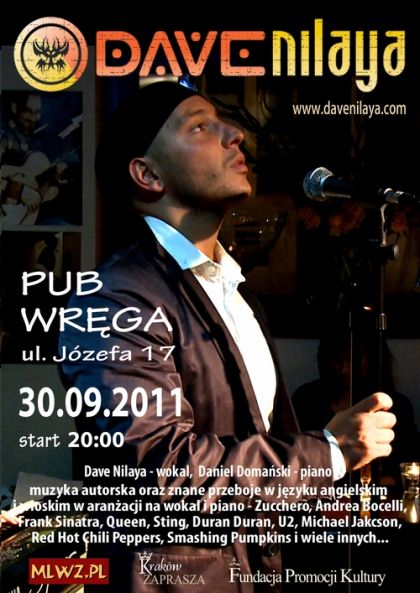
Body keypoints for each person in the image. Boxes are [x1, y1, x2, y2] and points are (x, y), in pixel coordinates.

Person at [59, 81, 396, 593]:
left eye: (224, 121)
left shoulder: (235, 294)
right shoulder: (114, 297)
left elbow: (256, 448)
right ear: (148, 174)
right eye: (199, 126)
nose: (235, 134)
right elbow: (161, 474)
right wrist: (327, 453)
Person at [292, 326, 419, 487]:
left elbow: (407, 469)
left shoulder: (397, 406)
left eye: (354, 359)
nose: (344, 369)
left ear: (373, 359)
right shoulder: (306, 399)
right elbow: (294, 466)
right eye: (337, 360)